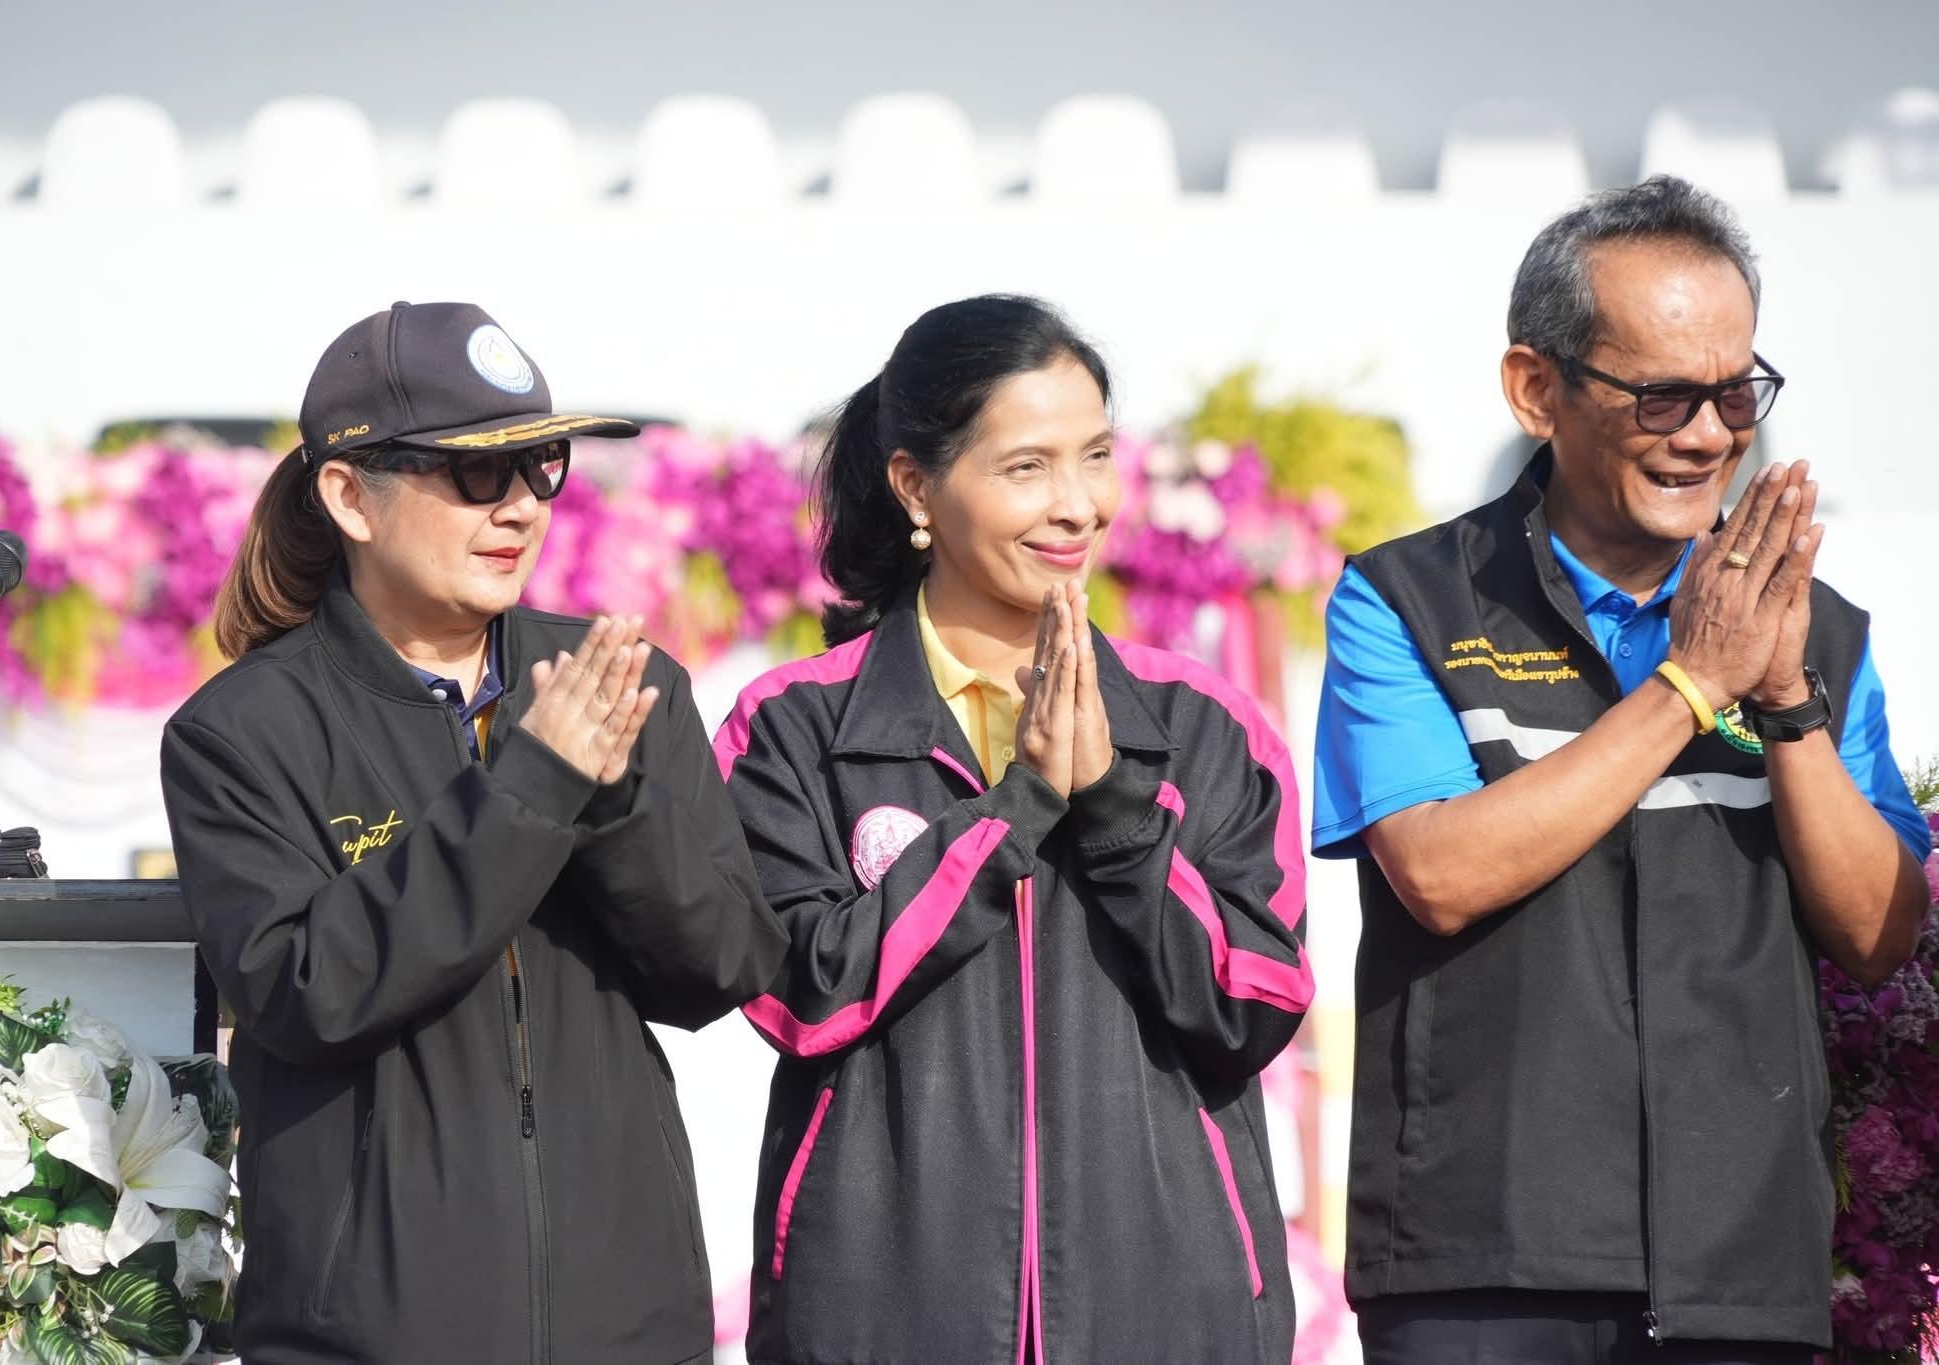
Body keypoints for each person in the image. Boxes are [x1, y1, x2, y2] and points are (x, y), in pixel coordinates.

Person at [1314, 177, 1933, 1364]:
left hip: (1743, 1267)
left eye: (1734, 391)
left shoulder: (1820, 635)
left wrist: (1782, 699)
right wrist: (1688, 686)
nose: (1706, 435)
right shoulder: (1406, 602)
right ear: (1534, 389)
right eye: (1661, 396)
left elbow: (1877, 934)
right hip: (1482, 1259)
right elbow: (1437, 874)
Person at [159, 300, 786, 1365]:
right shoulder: (240, 732)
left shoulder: (620, 687)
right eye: (477, 472)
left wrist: (611, 798)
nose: (522, 506)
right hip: (364, 1338)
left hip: (629, 1330)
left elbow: (721, 967)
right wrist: (530, 788)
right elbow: (307, 993)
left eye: (541, 465)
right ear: (349, 496)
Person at [716, 294, 1311, 1363]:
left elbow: (1252, 1005)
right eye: (1027, 467)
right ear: (916, 486)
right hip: (877, 1326)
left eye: (1096, 456)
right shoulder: (790, 729)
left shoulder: (1205, 726)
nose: (1077, 506)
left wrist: (1118, 813)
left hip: (1169, 1325)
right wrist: (1016, 810)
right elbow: (797, 993)